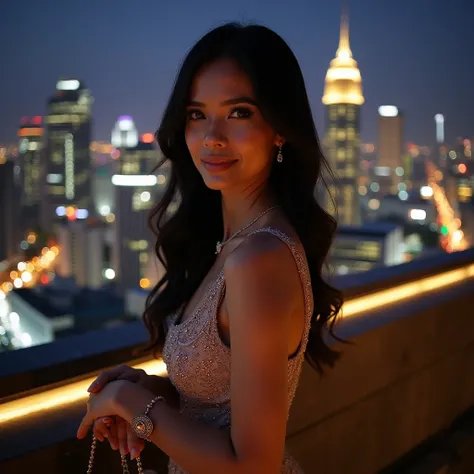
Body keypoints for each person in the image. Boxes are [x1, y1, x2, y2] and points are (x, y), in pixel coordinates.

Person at [77, 22, 343, 473]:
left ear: (280, 128)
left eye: (239, 112)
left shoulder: (259, 258)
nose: (212, 136)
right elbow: (223, 401)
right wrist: (151, 393)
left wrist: (130, 401)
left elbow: (252, 466)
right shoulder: (234, 245)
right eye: (197, 114)